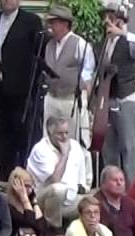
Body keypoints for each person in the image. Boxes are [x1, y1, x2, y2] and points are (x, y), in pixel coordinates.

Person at [0, 0, 44, 180]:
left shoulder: (31, 20)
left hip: (22, 90)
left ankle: (23, 177)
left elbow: (38, 54)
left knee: (23, 135)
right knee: (3, 134)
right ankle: (4, 177)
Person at [94, 3, 135, 181]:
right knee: (108, 145)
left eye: (110, 18)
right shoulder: (102, 44)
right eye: (105, 18)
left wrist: (123, 33)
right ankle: (111, 183)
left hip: (125, 98)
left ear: (118, 20)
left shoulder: (129, 42)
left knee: (127, 145)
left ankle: (132, 185)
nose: (106, 22)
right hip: (107, 98)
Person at [41, 5, 94, 145]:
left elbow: (87, 72)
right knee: (48, 137)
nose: (50, 26)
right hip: (51, 97)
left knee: (71, 139)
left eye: (54, 23)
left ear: (64, 23)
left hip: (71, 99)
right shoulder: (48, 44)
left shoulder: (80, 44)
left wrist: (84, 98)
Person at [27, 116, 89, 227]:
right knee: (58, 189)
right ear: (50, 133)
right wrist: (64, 155)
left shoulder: (75, 146)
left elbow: (81, 182)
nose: (64, 137)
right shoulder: (40, 149)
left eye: (66, 133)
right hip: (43, 199)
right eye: (60, 133)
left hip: (71, 199)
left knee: (94, 201)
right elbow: (55, 180)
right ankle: (52, 230)